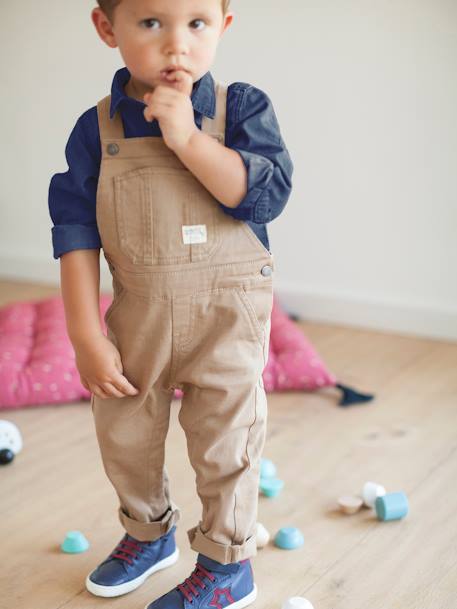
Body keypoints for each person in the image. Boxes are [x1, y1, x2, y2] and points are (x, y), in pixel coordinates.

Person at [48, 0, 293, 606]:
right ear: (108, 28)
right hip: (141, 318)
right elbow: (75, 228)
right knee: (125, 436)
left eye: (196, 23)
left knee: (225, 441)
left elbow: (259, 197)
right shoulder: (97, 128)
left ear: (223, 28)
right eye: (152, 22)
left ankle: (227, 565)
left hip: (225, 319)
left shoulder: (242, 108)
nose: (176, 45)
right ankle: (148, 533)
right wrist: (84, 333)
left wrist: (183, 134)